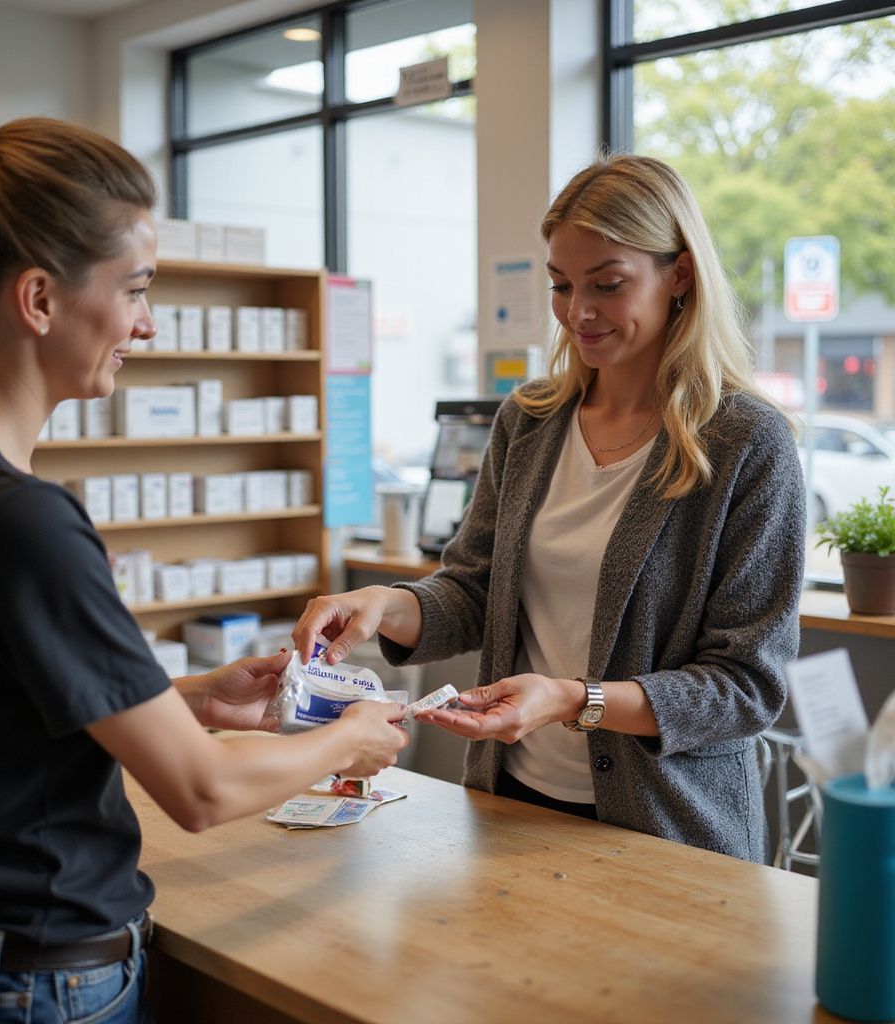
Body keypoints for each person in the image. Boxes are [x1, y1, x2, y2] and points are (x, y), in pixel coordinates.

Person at [0, 90, 407, 1023]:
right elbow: (200, 793)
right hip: (27, 984)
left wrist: (191, 700)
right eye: (136, 289)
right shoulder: (19, 519)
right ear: (39, 299)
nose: (147, 326)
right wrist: (351, 739)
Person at [294, 153, 805, 862]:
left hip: (672, 830)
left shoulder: (746, 441)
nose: (579, 313)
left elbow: (747, 687)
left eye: (609, 285)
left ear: (680, 274)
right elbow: (473, 590)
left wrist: (574, 700)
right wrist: (385, 604)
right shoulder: (529, 422)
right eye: (563, 286)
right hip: (514, 808)